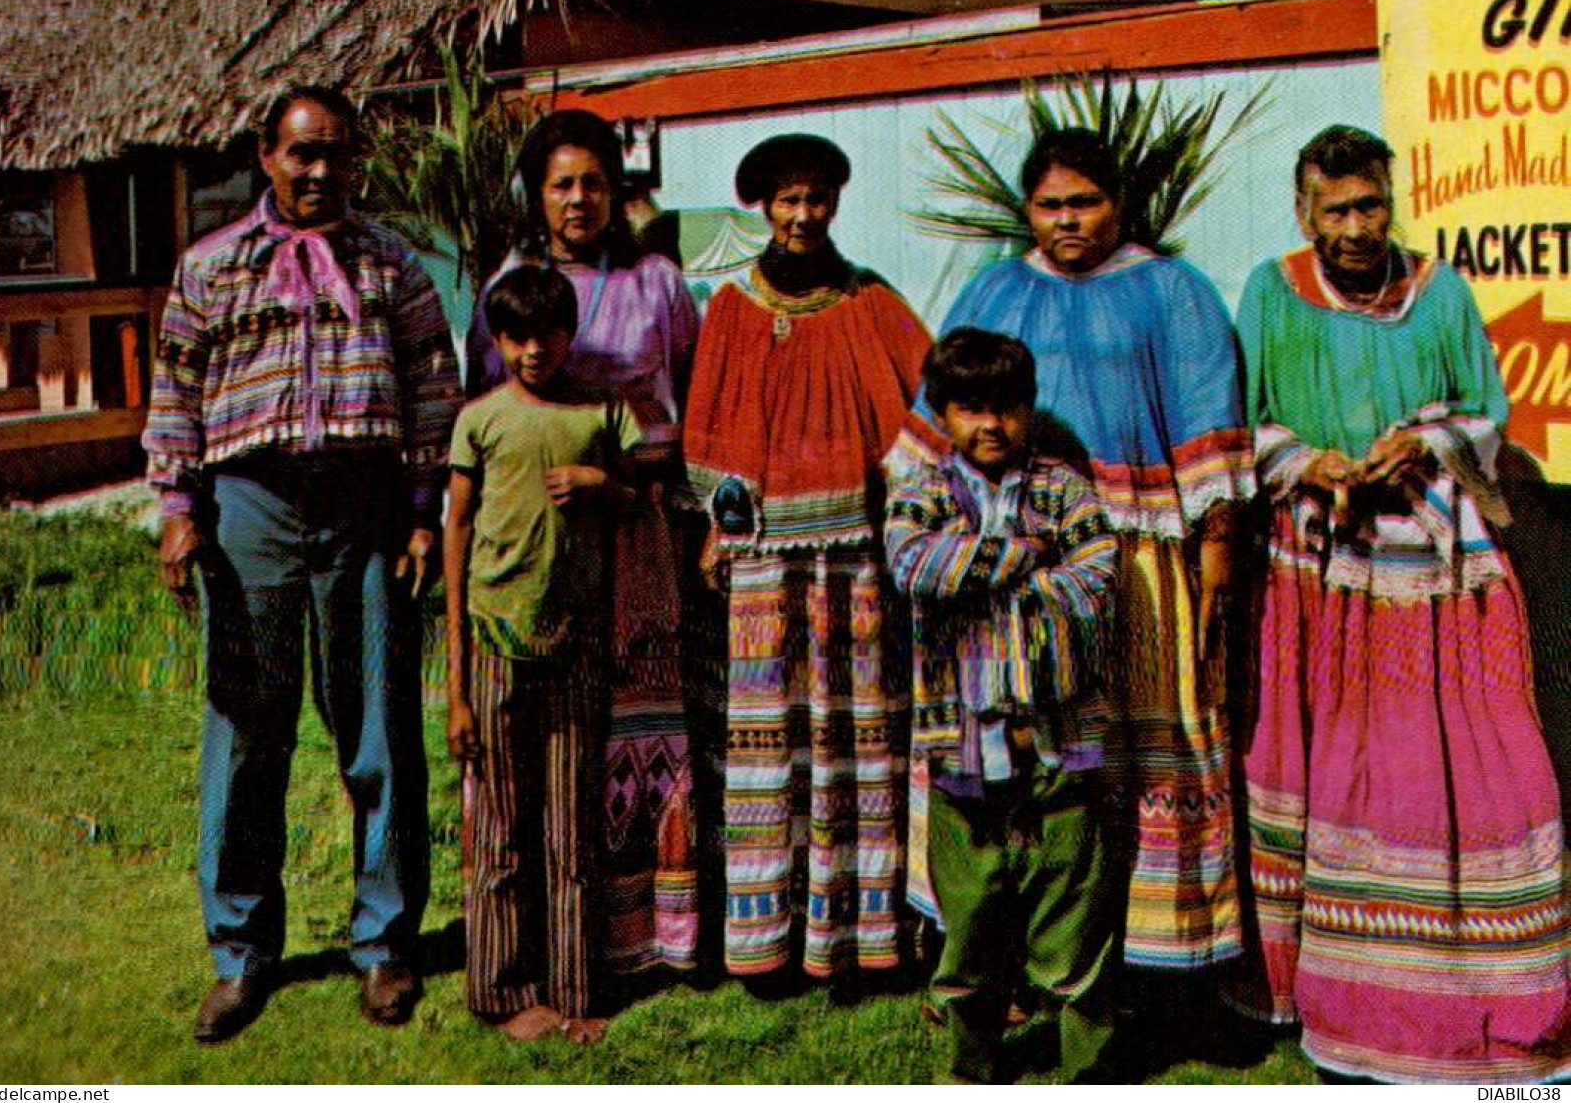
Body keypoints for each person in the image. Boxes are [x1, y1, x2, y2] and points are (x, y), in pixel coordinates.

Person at [1231, 125, 1569, 1083]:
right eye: (1333, 209)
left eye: (1368, 205)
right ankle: (1320, 990)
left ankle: (1475, 987)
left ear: (1392, 201)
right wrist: (1306, 458)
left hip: (1437, 565)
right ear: (1303, 213)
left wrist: (1424, 441)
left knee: (1472, 761)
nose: (1352, 226)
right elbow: (1243, 417)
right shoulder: (1271, 291)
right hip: (1315, 564)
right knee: (1330, 757)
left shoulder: (1442, 289)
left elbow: (1486, 411)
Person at [888, 126, 1254, 976]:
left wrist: (1215, 566)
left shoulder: (1174, 291)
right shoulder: (992, 289)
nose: (1067, 220)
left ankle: (1147, 959)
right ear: (1026, 210)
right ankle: (999, 951)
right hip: (995, 560)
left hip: (1137, 559)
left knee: (1127, 752)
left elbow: (1208, 430)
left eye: (1084, 202)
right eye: (1049, 204)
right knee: (1012, 751)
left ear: (1117, 204)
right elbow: (929, 426)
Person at [144, 85, 460, 1042]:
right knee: (246, 733)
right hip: (252, 510)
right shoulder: (209, 267)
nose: (317, 173)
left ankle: (383, 942)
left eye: (333, 155)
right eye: (299, 155)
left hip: (362, 509)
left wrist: (419, 515)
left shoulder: (390, 263)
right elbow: (175, 390)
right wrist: (176, 509)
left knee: (376, 730)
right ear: (265, 156)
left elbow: (432, 389)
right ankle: (240, 952)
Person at [684, 133, 931, 991]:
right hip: (763, 562)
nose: (800, 216)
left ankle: (859, 933)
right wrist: (721, 526)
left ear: (833, 203)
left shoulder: (868, 302)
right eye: (786, 200)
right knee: (770, 741)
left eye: (814, 199)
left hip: (857, 560)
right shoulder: (731, 306)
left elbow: (928, 399)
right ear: (762, 205)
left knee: (854, 736)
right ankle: (765, 942)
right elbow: (711, 430)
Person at [465, 110, 704, 977]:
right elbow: (485, 420)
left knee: (638, 723)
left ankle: (645, 935)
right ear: (537, 194)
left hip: (635, 528)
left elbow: (694, 402)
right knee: (544, 738)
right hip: (541, 544)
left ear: (618, 189)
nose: (578, 198)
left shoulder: (659, 284)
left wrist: (656, 493)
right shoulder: (512, 284)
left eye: (594, 181)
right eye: (561, 183)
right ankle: (538, 934)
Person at [885, 329, 1121, 1083]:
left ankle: (1088, 1064)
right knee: (972, 915)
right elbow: (912, 563)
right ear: (944, 412)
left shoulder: (1061, 486)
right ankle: (972, 1065)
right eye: (971, 408)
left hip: (1055, 740)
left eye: (1008, 407)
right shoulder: (920, 490)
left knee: (1074, 910)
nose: (991, 424)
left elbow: (1095, 573)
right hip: (960, 743)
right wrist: (1022, 554)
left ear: (1029, 408)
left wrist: (979, 574)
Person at [445, 265, 642, 1043]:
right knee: (500, 822)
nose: (533, 350)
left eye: (548, 334)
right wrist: (458, 685)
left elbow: (641, 497)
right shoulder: (480, 419)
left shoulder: (600, 414)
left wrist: (602, 483)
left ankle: (577, 987)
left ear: (570, 334)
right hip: (495, 639)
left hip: (576, 640)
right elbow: (457, 533)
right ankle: (500, 988)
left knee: (569, 819)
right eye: (516, 337)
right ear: (496, 342)